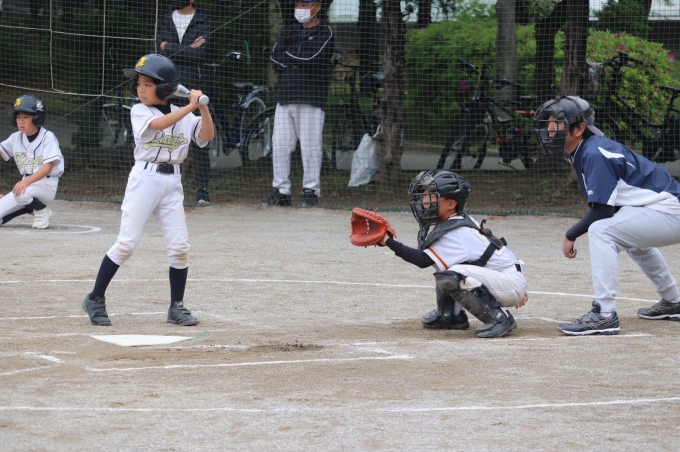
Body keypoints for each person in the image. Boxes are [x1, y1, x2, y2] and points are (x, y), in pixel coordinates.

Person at [81, 54, 214, 327]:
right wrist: (191, 106)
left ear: (165, 88)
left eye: (148, 84)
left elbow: (206, 137)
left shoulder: (185, 114)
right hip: (145, 179)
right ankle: (95, 298)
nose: (140, 89)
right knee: (127, 243)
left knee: (179, 247)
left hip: (172, 182)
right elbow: (159, 125)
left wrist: (202, 108)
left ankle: (176, 307)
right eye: (139, 84)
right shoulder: (139, 111)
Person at [534, 96, 680, 336]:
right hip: (663, 209)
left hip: (671, 211)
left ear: (579, 129)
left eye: (557, 123)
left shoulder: (594, 153)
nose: (549, 128)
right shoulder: (583, 149)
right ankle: (673, 301)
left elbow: (603, 211)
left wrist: (571, 234)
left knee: (601, 230)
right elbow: (615, 207)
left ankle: (604, 314)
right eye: (548, 122)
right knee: (628, 235)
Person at [377, 170, 529, 338]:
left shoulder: (456, 232)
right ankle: (450, 316)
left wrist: (388, 241)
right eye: (424, 195)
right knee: (447, 267)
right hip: (507, 279)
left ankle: (500, 319)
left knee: (451, 275)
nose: (424, 201)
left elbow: (422, 260)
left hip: (509, 282)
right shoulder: (458, 221)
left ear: (451, 204)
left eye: (431, 196)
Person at [261, 0, 334, 208]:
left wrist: (290, 58)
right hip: (285, 97)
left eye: (305, 4)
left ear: (317, 7)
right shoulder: (289, 30)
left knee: (310, 146)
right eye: (298, 4)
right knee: (280, 145)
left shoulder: (326, 32)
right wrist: (296, 60)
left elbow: (313, 58)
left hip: (311, 98)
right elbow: (275, 58)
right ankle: (281, 191)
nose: (300, 9)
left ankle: (310, 191)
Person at [156, 0, 213, 206]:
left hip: (194, 86)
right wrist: (186, 49)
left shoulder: (204, 19)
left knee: (199, 139)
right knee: (164, 136)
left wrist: (168, 47)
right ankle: (161, 188)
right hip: (166, 84)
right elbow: (156, 49)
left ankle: (202, 191)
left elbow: (200, 53)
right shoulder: (164, 18)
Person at [0, 94, 64, 229]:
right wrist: (25, 183)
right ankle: (32, 207)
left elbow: (47, 168)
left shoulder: (48, 137)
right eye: (18, 117)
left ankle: (41, 211)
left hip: (46, 185)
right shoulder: (15, 137)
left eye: (26, 117)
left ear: (37, 118)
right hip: (25, 186)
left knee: (22, 193)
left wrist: (25, 182)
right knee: (21, 194)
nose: (21, 121)